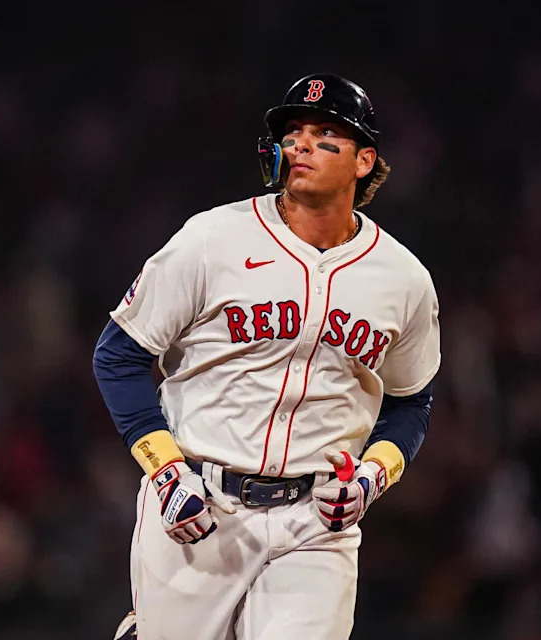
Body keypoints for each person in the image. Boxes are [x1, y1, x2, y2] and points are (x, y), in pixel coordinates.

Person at [93, 73, 440, 639]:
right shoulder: (211, 240)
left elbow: (412, 401)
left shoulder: (402, 279)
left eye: (325, 133)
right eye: (293, 132)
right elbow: (118, 356)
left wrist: (373, 477)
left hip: (316, 523)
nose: (300, 144)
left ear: (363, 160)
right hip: (200, 503)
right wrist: (165, 470)